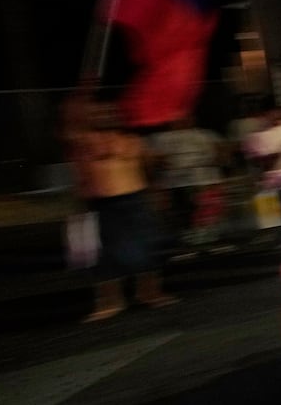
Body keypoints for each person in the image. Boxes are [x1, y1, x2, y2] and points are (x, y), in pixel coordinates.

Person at [63, 94, 176, 322]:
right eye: (100, 113)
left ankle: (149, 292)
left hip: (136, 199)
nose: (107, 115)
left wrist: (159, 183)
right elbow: (69, 128)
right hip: (103, 204)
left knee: (148, 248)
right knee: (106, 256)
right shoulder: (86, 140)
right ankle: (110, 302)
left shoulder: (134, 141)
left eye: (111, 112)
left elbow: (151, 168)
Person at [148, 113, 228, 253]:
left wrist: (215, 158)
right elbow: (152, 164)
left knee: (207, 221)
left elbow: (223, 156)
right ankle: (187, 251)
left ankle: (211, 248)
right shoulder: (159, 139)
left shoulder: (206, 135)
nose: (183, 119)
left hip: (205, 183)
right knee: (182, 223)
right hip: (175, 186)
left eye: (186, 115)